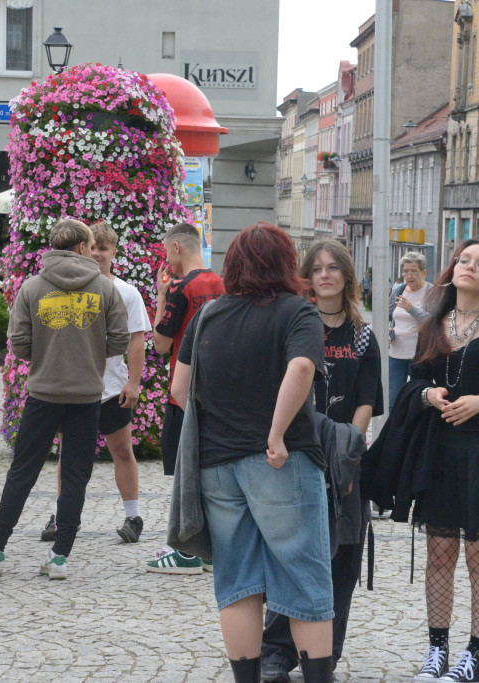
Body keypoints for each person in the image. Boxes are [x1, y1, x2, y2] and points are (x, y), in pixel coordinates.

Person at [170, 222, 335, 682]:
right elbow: (302, 366)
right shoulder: (297, 312)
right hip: (279, 462)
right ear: (286, 263)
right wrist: (277, 433)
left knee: (238, 582)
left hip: (217, 467)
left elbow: (180, 389)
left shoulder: (209, 315)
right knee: (305, 575)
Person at [383, 240, 479, 682]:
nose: (470, 266)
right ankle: (436, 651)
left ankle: (476, 656)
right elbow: (414, 381)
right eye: (464, 260)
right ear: (453, 270)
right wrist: (429, 394)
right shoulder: (435, 323)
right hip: (439, 453)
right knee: (439, 553)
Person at [0, 219, 128, 579]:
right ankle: (59, 557)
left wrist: (49, 352)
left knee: (22, 473)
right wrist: (89, 352)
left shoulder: (32, 287)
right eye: (90, 245)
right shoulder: (105, 289)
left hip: (43, 392)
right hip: (87, 394)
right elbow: (120, 340)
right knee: (75, 476)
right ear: (79, 248)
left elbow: (19, 345)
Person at [261, 239, 382, 681]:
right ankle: (276, 649)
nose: (326, 275)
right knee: (289, 552)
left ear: (347, 276)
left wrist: (347, 451)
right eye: (317, 269)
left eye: (334, 268)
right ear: (306, 277)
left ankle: (323, 652)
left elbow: (367, 402)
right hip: (295, 453)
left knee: (341, 556)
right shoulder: (295, 323)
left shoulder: (363, 336)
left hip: (343, 459)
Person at [39, 221, 152, 544]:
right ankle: (63, 516)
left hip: (111, 387)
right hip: (75, 387)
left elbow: (136, 340)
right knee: (69, 453)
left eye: (105, 248)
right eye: (94, 248)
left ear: (114, 252)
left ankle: (133, 515)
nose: (99, 254)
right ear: (84, 250)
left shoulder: (126, 292)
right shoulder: (70, 287)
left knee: (121, 449)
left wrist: (133, 381)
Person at [147, 221, 224, 574]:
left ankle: (187, 550)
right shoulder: (222, 284)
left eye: (166, 251)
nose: (166, 260)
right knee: (210, 472)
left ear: (177, 248)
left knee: (185, 473)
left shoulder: (180, 288)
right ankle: (209, 550)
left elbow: (161, 344)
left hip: (184, 390)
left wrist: (161, 295)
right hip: (219, 392)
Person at [388, 251, 432, 407]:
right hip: (395, 353)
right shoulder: (398, 290)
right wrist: (387, 330)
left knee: (416, 400)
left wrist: (411, 308)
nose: (409, 275)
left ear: (423, 272)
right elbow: (388, 315)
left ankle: (414, 430)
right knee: (392, 401)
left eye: (414, 271)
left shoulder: (430, 292)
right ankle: (394, 430)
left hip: (419, 355)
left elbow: (433, 322)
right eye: (406, 271)